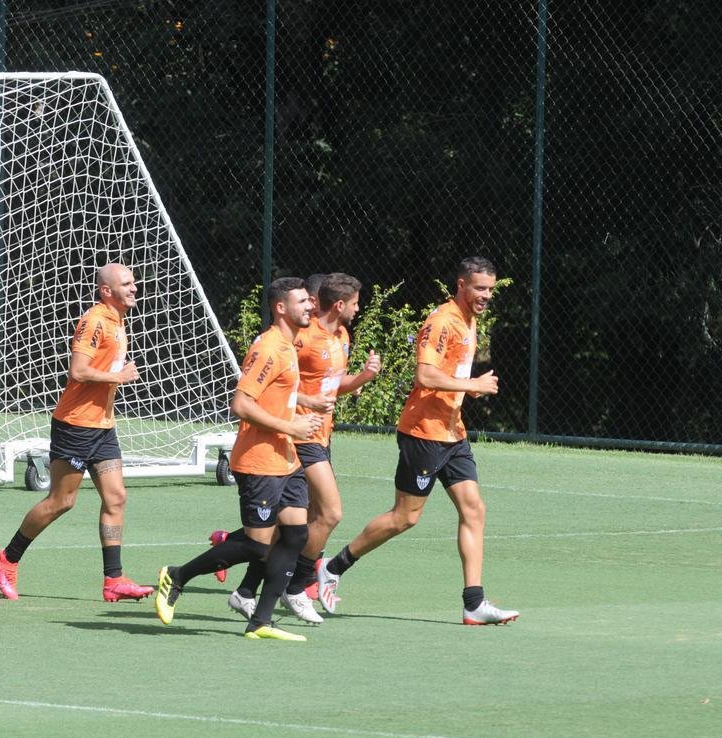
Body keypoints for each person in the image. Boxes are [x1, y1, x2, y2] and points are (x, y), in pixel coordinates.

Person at [315, 256, 519, 625]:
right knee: (404, 518)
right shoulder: (442, 321)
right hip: (423, 433)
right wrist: (472, 384)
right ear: (461, 285)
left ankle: (474, 603)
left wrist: (464, 391)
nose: (486, 295)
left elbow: (449, 372)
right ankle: (333, 567)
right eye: (479, 288)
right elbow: (425, 374)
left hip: (453, 433)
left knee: (474, 509)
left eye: (490, 289)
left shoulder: (470, 321)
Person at [154, 277, 324, 641]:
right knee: (256, 546)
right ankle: (177, 575)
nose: (311, 306)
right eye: (302, 302)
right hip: (259, 462)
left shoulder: (290, 345)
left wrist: (303, 408)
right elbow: (242, 404)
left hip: (286, 459)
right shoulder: (269, 348)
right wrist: (290, 426)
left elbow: (275, 396)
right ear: (281, 307)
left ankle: (260, 622)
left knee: (295, 534)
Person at [0, 262, 154, 602]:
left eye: (134, 282)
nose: (134, 287)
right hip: (75, 425)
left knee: (116, 497)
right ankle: (7, 558)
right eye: (126, 283)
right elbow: (78, 370)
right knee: (61, 501)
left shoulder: (118, 320)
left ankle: (113, 580)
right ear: (107, 290)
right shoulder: (94, 320)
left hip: (103, 427)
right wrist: (117, 377)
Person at [223, 273, 381, 625]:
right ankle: (301, 584)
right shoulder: (300, 339)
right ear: (340, 304)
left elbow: (331, 386)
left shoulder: (341, 337)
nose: (358, 309)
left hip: (321, 434)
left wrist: (363, 378)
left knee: (291, 526)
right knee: (329, 513)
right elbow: (278, 388)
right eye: (355, 303)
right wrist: (302, 409)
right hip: (298, 437)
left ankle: (244, 583)